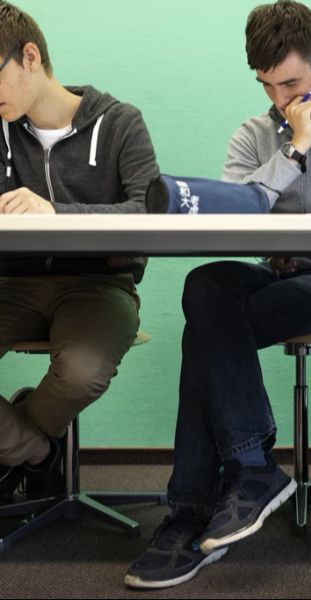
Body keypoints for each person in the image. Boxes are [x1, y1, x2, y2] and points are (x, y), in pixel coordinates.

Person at [126, 0, 311, 589]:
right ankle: (250, 469)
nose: (282, 99)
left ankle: (192, 509)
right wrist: (294, 150)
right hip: (279, 280)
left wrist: (298, 243)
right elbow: (234, 221)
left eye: (293, 83)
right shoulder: (255, 135)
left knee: (208, 328)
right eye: (268, 86)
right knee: (205, 287)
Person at [0, 2, 157, 503]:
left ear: (29, 57)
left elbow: (150, 215)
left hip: (98, 287)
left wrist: (57, 213)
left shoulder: (120, 123)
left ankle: (21, 442)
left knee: (82, 373)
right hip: (12, 285)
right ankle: (38, 452)